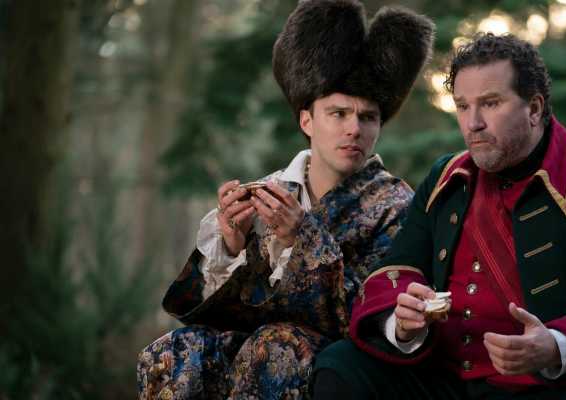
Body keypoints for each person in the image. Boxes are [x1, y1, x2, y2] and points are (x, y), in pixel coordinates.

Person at [312, 33, 566, 399]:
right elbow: (396, 272)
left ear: (534, 108)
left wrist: (556, 346)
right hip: (447, 381)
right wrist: (403, 322)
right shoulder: (445, 178)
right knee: (342, 366)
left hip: (548, 387)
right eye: (463, 106)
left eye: (490, 103)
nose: (473, 123)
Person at [136, 1, 434, 399]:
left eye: (368, 117)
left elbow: (372, 314)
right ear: (307, 120)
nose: (354, 129)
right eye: (339, 113)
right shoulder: (271, 190)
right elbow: (230, 309)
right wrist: (232, 245)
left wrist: (302, 238)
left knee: (276, 346)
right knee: (173, 351)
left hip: (336, 359)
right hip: (260, 342)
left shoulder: (396, 205)